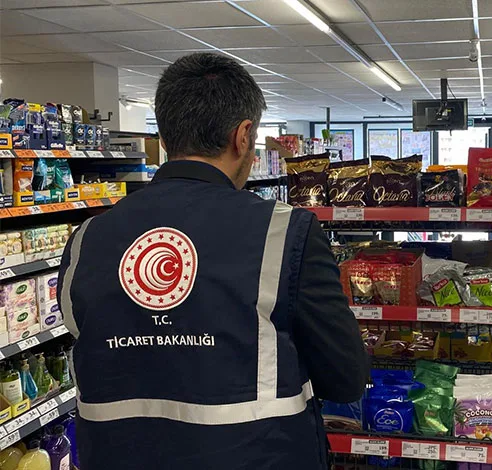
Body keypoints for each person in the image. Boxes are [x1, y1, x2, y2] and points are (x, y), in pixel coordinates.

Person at [57, 52, 368, 470]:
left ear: (164, 138)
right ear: (243, 136)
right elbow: (344, 378)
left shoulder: (86, 239)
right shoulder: (284, 232)